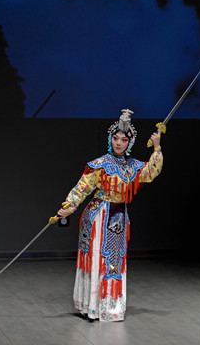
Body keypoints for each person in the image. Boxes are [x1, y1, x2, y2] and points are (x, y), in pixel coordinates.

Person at [55, 109, 163, 322]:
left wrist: (157, 147)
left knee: (114, 261)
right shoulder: (99, 165)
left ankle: (110, 308)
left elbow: (151, 172)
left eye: (124, 140)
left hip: (118, 218)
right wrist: (70, 206)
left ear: (129, 143)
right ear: (110, 139)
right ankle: (92, 306)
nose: (119, 143)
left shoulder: (133, 167)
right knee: (96, 258)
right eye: (115, 138)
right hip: (97, 217)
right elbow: (82, 187)